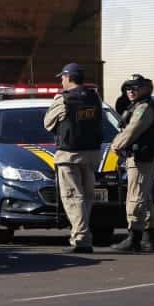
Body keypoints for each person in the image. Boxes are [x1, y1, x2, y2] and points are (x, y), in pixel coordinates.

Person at [42, 63, 103, 253]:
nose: (61, 81)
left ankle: (82, 239)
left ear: (69, 78)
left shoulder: (63, 100)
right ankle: (81, 235)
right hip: (91, 154)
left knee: (72, 197)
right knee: (86, 197)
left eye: (62, 77)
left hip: (69, 155)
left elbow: (47, 123)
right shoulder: (94, 97)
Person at [110, 74, 154, 253]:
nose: (130, 91)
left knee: (136, 196)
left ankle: (134, 238)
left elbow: (132, 130)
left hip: (140, 159)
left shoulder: (143, 108)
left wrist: (116, 145)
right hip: (139, 157)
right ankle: (148, 238)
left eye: (135, 87)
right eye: (128, 88)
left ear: (146, 89)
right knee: (144, 197)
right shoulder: (139, 106)